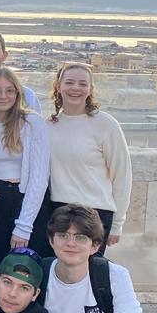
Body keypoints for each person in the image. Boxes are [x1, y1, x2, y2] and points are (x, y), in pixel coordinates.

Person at [32, 63, 132, 258]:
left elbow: (122, 176)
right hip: (58, 212)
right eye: (69, 82)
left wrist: (118, 224)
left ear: (90, 89)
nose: (75, 88)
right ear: (58, 86)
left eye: (82, 84)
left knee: (89, 272)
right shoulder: (48, 126)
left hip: (95, 214)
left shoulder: (106, 125)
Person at [0, 67, 50, 272]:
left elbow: (39, 178)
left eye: (10, 90)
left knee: (25, 270)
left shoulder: (33, 124)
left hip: (27, 203)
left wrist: (24, 226)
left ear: (18, 94)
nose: (3, 96)